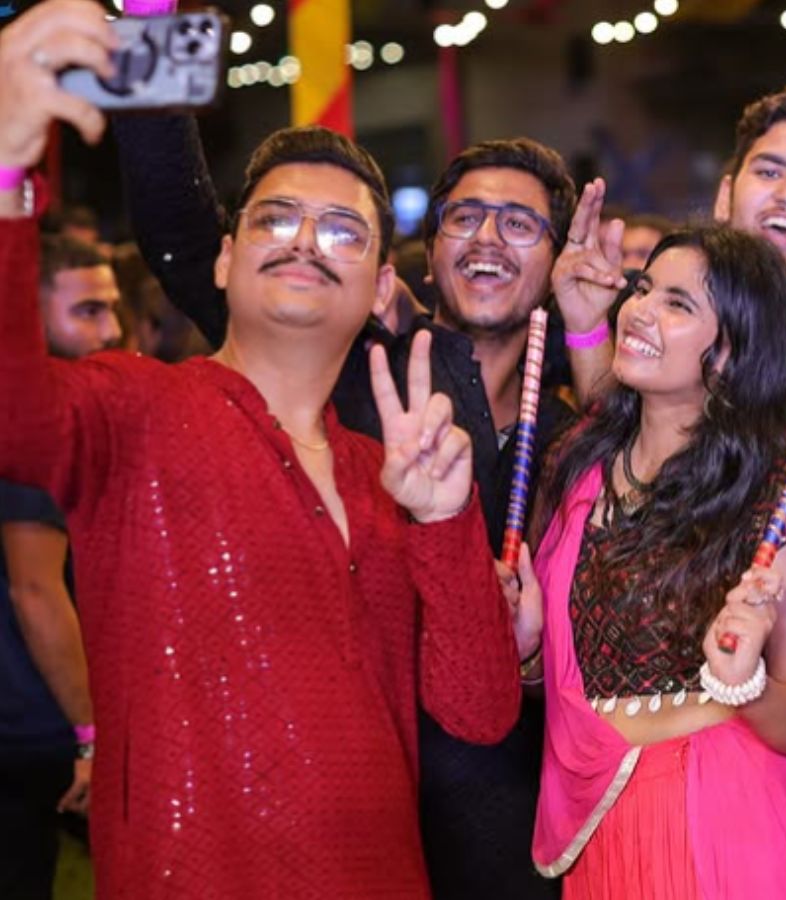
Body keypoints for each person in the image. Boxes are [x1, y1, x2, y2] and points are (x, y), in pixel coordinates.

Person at [0, 3, 522, 896]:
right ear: (222, 259)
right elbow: (14, 412)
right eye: (275, 220)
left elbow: (477, 711)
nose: (307, 244)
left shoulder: (389, 474)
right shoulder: (134, 408)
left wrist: (443, 520)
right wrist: (7, 170)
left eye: (344, 230)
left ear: (380, 290)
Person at [113, 101, 571, 899]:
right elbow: (181, 229)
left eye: (521, 224)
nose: (490, 238)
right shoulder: (348, 368)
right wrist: (152, 31)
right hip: (330, 803)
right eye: (467, 215)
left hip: (507, 811)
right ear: (422, 258)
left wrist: (523, 653)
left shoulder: (580, 426)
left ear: (559, 262)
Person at [529, 219, 786, 898]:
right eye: (643, 289)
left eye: (678, 304)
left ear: (731, 353)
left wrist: (744, 683)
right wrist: (525, 642)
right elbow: (551, 670)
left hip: (725, 818)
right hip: (597, 812)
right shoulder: (578, 464)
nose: (639, 309)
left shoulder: (780, 505)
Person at [563, 82, 786, 406]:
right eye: (769, 172)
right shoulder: (627, 303)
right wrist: (586, 326)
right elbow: (605, 434)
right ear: (725, 198)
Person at [0, 233, 120, 900]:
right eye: (87, 312)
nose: (112, 330)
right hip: (26, 729)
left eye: (111, 308)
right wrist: (89, 733)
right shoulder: (37, 418)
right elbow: (36, 590)